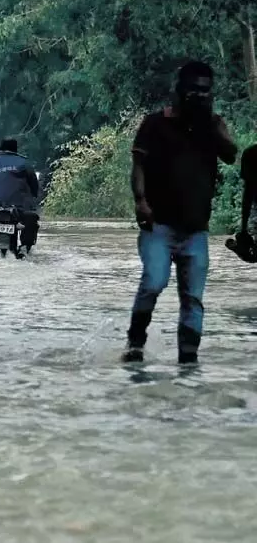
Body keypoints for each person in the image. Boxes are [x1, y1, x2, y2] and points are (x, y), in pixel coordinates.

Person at [124, 61, 237, 365]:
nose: (199, 95)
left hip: (196, 230)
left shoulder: (213, 125)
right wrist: (140, 201)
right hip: (158, 225)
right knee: (154, 281)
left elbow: (230, 154)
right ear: (179, 89)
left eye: (205, 91)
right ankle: (135, 343)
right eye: (193, 90)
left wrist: (212, 126)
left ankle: (188, 362)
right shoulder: (154, 124)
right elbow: (139, 167)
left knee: (193, 299)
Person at [226, 143, 257, 262]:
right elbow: (248, 192)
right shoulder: (251, 154)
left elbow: (248, 193)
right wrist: (243, 228)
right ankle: (241, 249)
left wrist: (244, 228)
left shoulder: (251, 153)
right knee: (252, 256)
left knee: (252, 257)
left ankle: (240, 249)